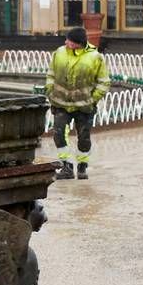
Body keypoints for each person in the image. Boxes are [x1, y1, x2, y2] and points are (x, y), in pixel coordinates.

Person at [45, 25, 109, 180]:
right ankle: (66, 166)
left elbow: (104, 82)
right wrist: (50, 90)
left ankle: (82, 166)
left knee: (84, 137)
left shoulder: (95, 57)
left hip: (84, 106)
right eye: (67, 40)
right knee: (59, 134)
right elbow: (51, 74)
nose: (67, 43)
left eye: (71, 41)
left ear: (80, 43)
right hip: (60, 103)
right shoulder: (59, 53)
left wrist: (92, 99)